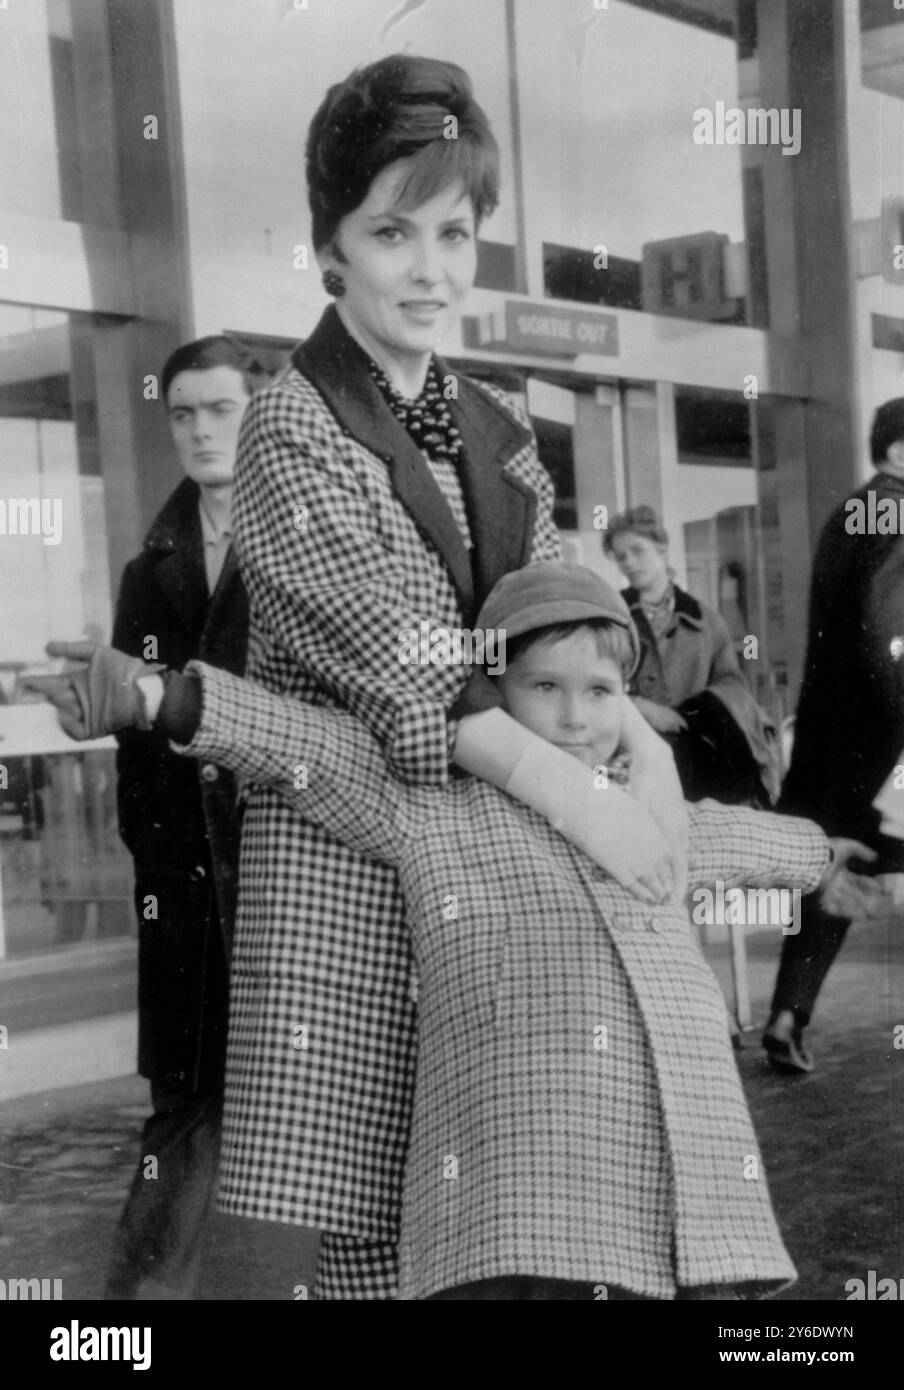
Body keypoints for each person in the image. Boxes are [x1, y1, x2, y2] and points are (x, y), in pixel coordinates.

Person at [31, 56, 686, 1302]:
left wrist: (641, 755)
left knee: (501, 1213)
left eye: (455, 231)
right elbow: (399, 664)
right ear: (329, 249)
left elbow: (558, 629)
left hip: (482, 873)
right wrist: (591, 796)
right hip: (344, 882)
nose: (431, 266)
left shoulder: (495, 425)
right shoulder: (290, 427)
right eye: (392, 231)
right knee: (363, 1238)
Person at [32, 562, 880, 1299]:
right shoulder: (433, 805)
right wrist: (149, 695)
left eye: (601, 691)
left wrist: (827, 860)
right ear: (492, 690)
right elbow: (308, 745)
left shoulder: (652, 820)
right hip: (518, 1209)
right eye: (545, 687)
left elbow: (749, 839)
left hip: (680, 1198)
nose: (577, 716)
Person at [97, 336, 256, 1298]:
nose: (200, 430)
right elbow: (134, 740)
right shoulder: (146, 574)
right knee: (186, 1108)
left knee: (351, 1100)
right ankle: (130, 1323)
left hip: (293, 871)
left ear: (259, 412)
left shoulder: (307, 542)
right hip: (190, 888)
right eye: (184, 414)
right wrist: (163, 870)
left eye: (220, 410)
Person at [762, 399, 904, 1073]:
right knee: (856, 867)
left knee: (835, 871)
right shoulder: (896, 512)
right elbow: (889, 636)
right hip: (886, 742)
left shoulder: (849, 514)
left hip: (835, 738)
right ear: (899, 451)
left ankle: (788, 1013)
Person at [605, 505, 776, 806]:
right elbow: (594, 684)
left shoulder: (706, 621)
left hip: (698, 767)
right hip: (632, 764)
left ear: (661, 547)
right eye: (621, 556)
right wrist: (639, 705)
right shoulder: (610, 618)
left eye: (637, 550)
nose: (629, 562)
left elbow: (733, 688)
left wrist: (691, 715)